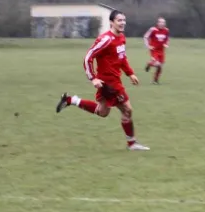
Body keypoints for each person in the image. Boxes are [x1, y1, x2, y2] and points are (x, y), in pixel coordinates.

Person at [56, 9, 150, 151]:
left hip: (114, 80)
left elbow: (122, 57)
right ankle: (132, 144)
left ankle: (71, 100)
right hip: (109, 83)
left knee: (103, 112)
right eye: (119, 20)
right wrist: (93, 78)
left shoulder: (121, 38)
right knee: (127, 109)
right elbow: (88, 57)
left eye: (124, 20)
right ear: (111, 22)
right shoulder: (105, 39)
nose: (122, 23)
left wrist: (130, 73)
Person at [143, 17, 169, 84]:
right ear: (157, 23)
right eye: (160, 22)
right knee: (157, 64)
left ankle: (155, 80)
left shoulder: (166, 30)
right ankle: (149, 64)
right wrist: (148, 46)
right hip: (154, 50)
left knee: (160, 67)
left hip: (161, 51)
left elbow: (167, 39)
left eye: (163, 22)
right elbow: (145, 37)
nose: (162, 24)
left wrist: (166, 44)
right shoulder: (153, 29)